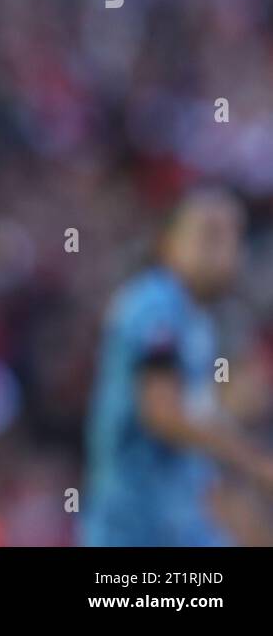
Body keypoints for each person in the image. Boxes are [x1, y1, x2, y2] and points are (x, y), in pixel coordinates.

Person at [81, 183, 273, 545]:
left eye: (233, 235)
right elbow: (163, 413)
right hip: (134, 529)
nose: (224, 251)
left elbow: (196, 431)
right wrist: (255, 463)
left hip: (178, 523)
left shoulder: (196, 318)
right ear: (168, 242)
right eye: (209, 234)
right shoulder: (154, 304)